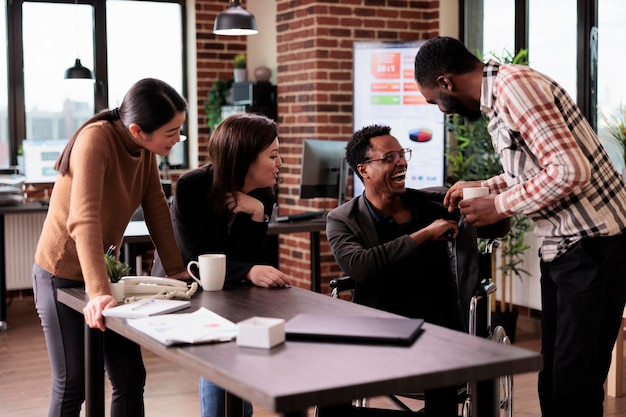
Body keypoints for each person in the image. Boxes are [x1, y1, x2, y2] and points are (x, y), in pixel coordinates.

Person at [414, 36, 626, 417]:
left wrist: (497, 206)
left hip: (593, 243)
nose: (441, 110)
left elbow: (570, 171)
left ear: (446, 82)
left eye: (434, 101)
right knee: (555, 379)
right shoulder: (502, 95)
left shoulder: (515, 87)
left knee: (575, 382)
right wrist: (490, 186)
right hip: (564, 247)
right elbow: (535, 167)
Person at [32, 78, 190, 417]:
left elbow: (157, 207)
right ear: (137, 130)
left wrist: (175, 269)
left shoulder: (146, 150)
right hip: (60, 273)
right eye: (172, 132)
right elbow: (83, 219)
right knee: (74, 382)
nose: (177, 139)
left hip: (104, 274)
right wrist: (98, 292)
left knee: (130, 376)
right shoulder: (95, 140)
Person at [325, 124, 477, 417]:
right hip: (377, 331)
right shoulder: (343, 219)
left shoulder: (436, 204)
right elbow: (360, 266)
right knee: (330, 383)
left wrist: (482, 194)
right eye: (390, 157)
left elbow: (498, 226)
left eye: (402, 154)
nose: (402, 162)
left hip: (438, 331)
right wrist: (425, 235)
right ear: (364, 170)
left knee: (442, 368)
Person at [151, 112, 291, 417]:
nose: (280, 164)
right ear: (245, 159)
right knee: (223, 354)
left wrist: (255, 213)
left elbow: (248, 255)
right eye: (274, 155)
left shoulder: (263, 194)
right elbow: (197, 259)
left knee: (238, 365)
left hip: (231, 291)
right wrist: (248, 270)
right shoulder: (192, 186)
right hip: (183, 289)